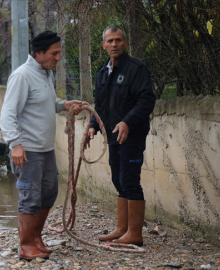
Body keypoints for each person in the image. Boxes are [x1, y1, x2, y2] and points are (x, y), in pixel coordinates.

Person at [0, 30, 85, 260]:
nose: (58, 58)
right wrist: (15, 144)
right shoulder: (22, 76)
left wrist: (63, 105)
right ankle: (26, 245)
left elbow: (42, 102)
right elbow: (8, 114)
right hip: (27, 151)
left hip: (45, 149)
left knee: (48, 193)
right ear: (39, 53)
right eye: (54, 54)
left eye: (59, 53)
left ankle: (36, 238)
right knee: (30, 196)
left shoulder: (45, 73)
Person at [87, 25, 156, 246]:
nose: (114, 44)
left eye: (118, 40)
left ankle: (135, 234)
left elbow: (146, 100)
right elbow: (100, 105)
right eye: (110, 41)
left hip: (132, 135)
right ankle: (122, 228)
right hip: (112, 136)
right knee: (118, 179)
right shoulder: (102, 72)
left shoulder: (136, 69)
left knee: (130, 180)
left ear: (124, 43)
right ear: (103, 45)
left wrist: (127, 121)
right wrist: (92, 126)